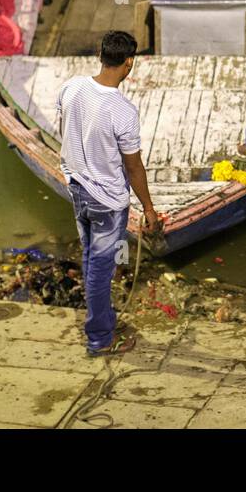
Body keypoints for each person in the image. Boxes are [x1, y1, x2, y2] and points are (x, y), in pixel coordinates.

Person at [56, 30, 162, 357]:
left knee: (91, 259)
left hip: (77, 189)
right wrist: (149, 209)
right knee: (101, 271)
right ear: (129, 63)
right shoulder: (123, 112)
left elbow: (65, 126)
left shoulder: (71, 87)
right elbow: (134, 168)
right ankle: (100, 339)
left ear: (101, 54)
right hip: (107, 202)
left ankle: (101, 321)